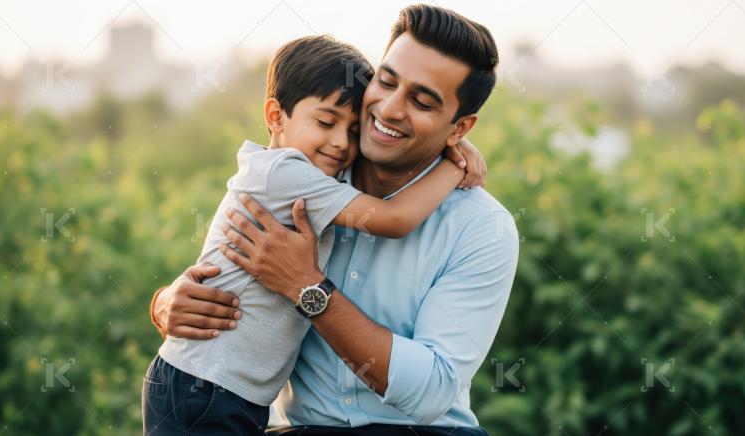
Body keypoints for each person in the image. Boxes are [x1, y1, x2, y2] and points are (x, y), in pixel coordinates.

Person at [149, 4, 519, 435]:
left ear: (459, 128)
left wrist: (307, 287)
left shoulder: (480, 228)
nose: (391, 108)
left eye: (421, 101)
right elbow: (223, 267)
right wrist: (167, 303)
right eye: (386, 81)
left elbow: (432, 391)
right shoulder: (307, 177)